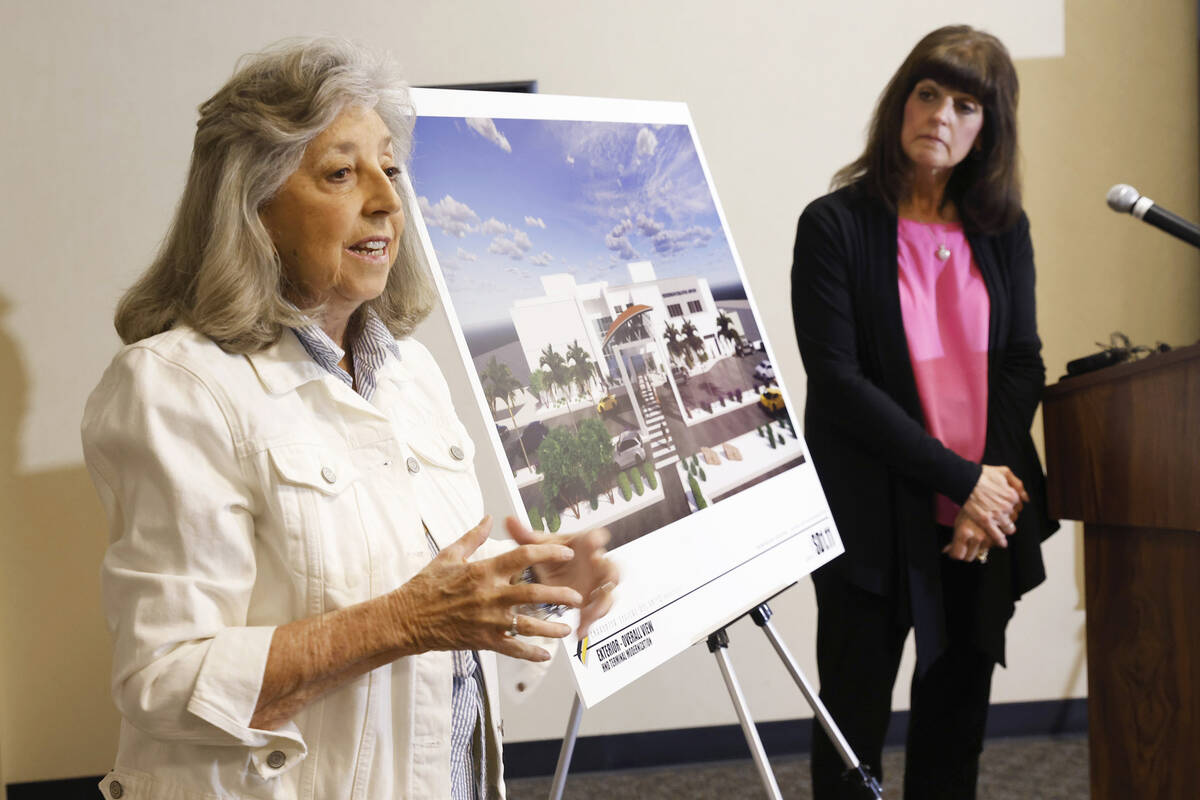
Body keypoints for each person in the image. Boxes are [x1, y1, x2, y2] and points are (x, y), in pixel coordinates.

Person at [81, 37, 617, 800]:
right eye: (341, 172)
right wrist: (404, 623)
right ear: (252, 205)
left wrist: (531, 584)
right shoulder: (175, 386)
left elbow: (425, 590)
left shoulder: (410, 371)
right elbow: (163, 678)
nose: (389, 200)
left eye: (391, 169)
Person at [790, 25, 1058, 799]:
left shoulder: (1003, 231)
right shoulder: (834, 226)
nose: (940, 114)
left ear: (987, 129)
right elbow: (839, 384)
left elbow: (1022, 362)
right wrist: (961, 478)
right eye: (928, 92)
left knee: (954, 732)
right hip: (874, 519)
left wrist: (989, 488)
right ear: (901, 103)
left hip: (983, 522)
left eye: (965, 103)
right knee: (852, 732)